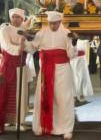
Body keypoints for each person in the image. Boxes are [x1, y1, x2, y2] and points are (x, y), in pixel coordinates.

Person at [23, 11, 77, 139]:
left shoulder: (66, 33)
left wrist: (74, 42)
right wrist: (24, 40)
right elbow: (32, 48)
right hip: (46, 69)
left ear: (60, 22)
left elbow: (71, 55)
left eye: (55, 23)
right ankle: (42, 126)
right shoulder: (42, 32)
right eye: (51, 23)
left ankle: (66, 128)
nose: (52, 26)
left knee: (63, 98)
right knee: (44, 98)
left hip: (62, 70)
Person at [0, 8, 30, 135]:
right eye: (13, 17)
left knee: (20, 95)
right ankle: (0, 124)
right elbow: (6, 46)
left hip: (21, 66)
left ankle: (19, 121)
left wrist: (27, 45)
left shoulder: (25, 31)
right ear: (10, 18)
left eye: (18, 17)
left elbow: (30, 47)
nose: (16, 19)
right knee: (2, 95)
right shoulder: (4, 30)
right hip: (6, 66)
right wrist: (20, 48)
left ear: (22, 18)